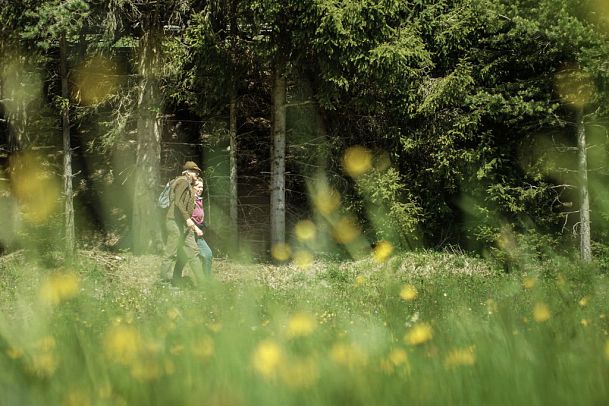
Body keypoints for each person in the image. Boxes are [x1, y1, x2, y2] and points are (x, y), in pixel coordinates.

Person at [159, 161, 205, 287]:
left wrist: (187, 220)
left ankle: (203, 285)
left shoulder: (188, 184)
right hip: (174, 222)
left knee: (194, 252)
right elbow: (178, 202)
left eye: (197, 171)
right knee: (171, 252)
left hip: (184, 224)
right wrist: (188, 218)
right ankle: (163, 283)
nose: (197, 173)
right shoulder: (182, 181)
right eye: (194, 171)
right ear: (188, 172)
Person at [192, 179, 213, 275]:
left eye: (201, 187)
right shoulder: (190, 199)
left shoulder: (199, 199)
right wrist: (195, 228)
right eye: (198, 186)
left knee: (183, 257)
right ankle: (207, 282)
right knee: (207, 254)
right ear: (192, 187)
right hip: (192, 231)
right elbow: (186, 216)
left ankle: (176, 278)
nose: (200, 189)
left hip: (198, 231)